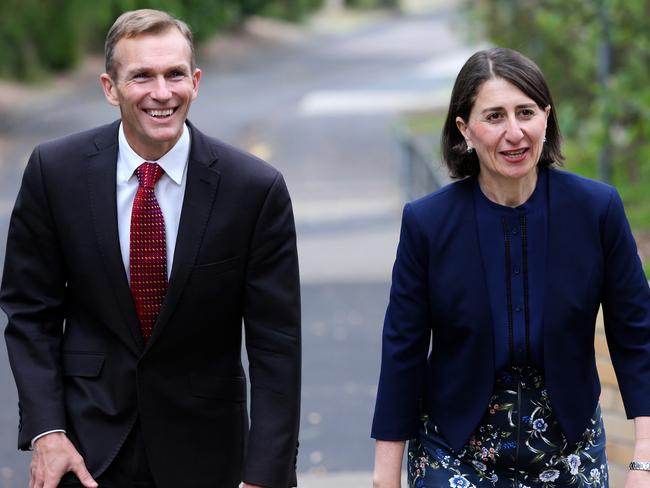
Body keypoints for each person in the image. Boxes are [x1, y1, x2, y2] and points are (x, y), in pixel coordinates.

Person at [0, 9, 301, 488]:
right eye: (142, 76)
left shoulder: (254, 189)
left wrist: (266, 473)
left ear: (195, 81)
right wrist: (47, 432)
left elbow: (276, 344)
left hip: (210, 455)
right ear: (110, 87)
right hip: (84, 451)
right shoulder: (55, 172)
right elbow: (29, 311)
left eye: (175, 74)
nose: (162, 93)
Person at [371, 48, 650, 488]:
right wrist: (385, 475)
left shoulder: (597, 211)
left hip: (570, 450)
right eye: (494, 116)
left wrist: (644, 460)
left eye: (526, 112)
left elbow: (637, 335)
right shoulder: (427, 223)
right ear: (465, 129)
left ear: (546, 118)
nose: (514, 132)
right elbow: (403, 350)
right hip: (455, 453)